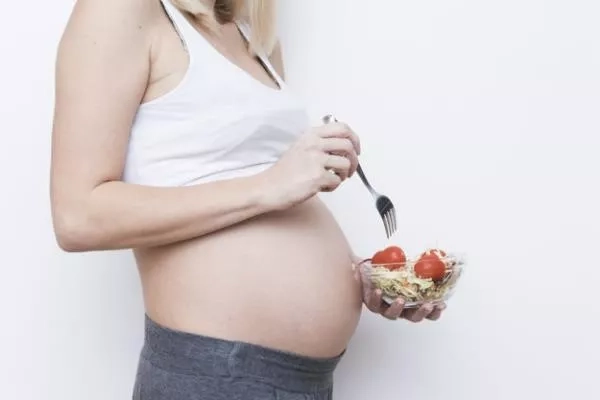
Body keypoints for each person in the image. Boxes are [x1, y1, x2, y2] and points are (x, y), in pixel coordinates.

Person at [50, 0, 446, 398]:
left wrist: (359, 276)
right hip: (214, 373)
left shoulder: (247, 35)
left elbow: (268, 201)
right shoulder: (120, 10)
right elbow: (78, 216)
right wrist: (269, 184)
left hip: (307, 380)